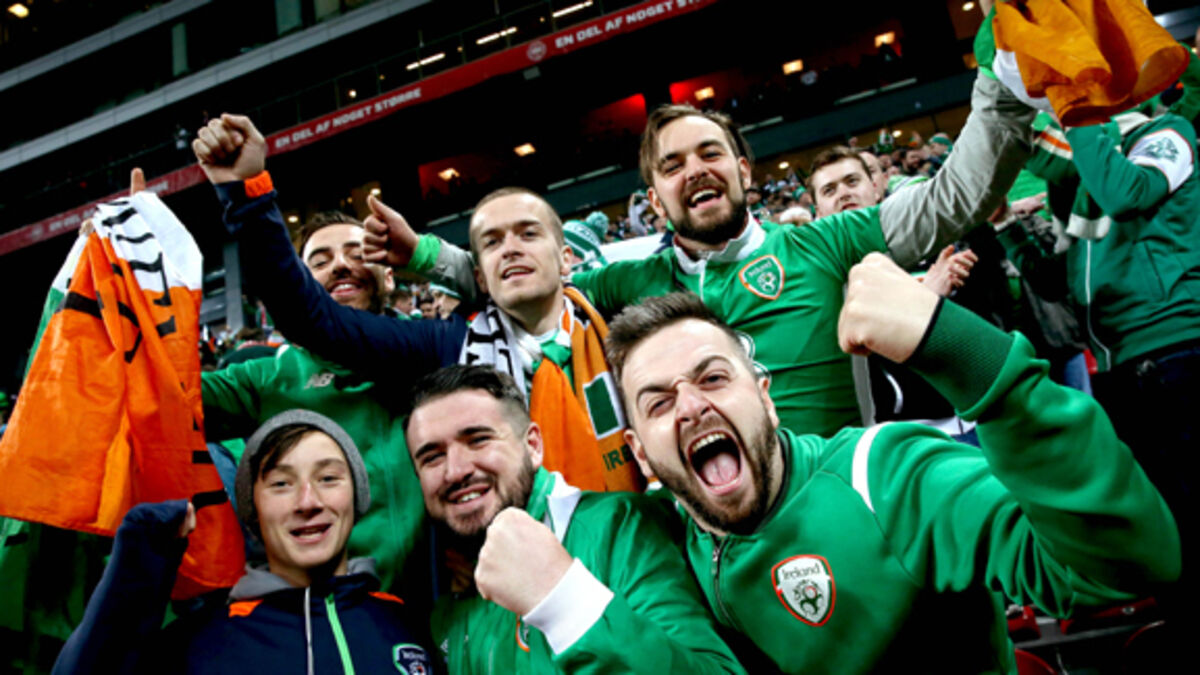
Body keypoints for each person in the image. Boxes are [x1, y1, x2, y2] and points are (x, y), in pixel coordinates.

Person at [380, 62, 1036, 438]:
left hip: (841, 503)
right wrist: (426, 258)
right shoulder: (629, 282)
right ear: (655, 198)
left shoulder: (826, 241)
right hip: (718, 541)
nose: (694, 170)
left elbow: (951, 199)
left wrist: (1005, 79)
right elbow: (529, 277)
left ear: (744, 170)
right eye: (672, 165)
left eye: (709, 153)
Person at [603, 285, 1179, 673]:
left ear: (766, 399)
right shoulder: (656, 543)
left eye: (713, 378)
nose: (690, 407)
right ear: (642, 456)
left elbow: (1124, 568)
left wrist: (970, 356)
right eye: (658, 403)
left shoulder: (882, 475)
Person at [192, 114, 468, 599]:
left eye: (357, 254)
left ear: (389, 275)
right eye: (319, 262)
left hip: (448, 615)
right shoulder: (262, 379)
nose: (340, 265)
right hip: (332, 626)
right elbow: (162, 399)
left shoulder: (433, 350)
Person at [403, 365, 744, 674]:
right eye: (432, 457)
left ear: (533, 447)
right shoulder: (445, 614)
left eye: (478, 440)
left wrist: (563, 601)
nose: (456, 470)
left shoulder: (621, 527)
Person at [52, 410, 434, 674]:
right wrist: (139, 569)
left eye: (328, 478)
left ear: (357, 497)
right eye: (281, 484)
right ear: (254, 513)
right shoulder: (203, 642)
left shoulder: (405, 621)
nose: (308, 501)